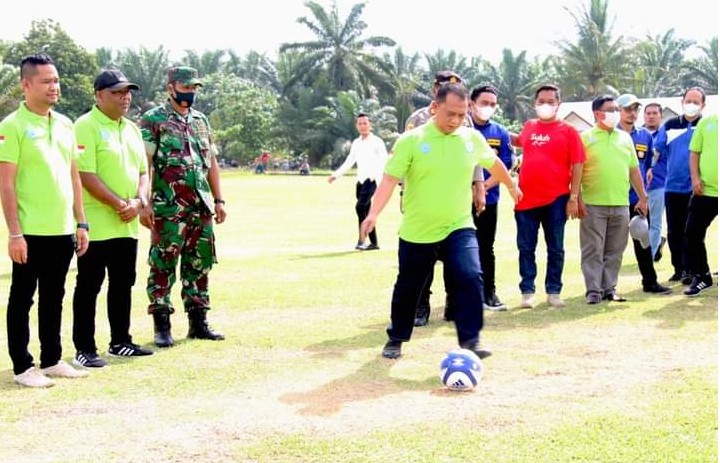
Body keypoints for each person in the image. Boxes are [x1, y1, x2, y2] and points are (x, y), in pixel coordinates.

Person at [359, 83, 522, 360]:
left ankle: (470, 339)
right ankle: (396, 337)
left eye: (461, 115)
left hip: (458, 225)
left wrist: (510, 186)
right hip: (418, 230)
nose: (455, 121)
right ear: (434, 107)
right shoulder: (411, 140)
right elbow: (389, 179)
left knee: (470, 277)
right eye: (450, 114)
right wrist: (373, 213)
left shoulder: (471, 139)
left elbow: (495, 164)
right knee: (409, 287)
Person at [0, 53, 89, 387]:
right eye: (46, 81)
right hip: (29, 231)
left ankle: (52, 359)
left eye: (56, 80)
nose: (54, 87)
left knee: (55, 296)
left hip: (62, 229)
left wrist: (81, 223)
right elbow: (5, 184)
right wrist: (14, 233)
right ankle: (23, 366)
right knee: (23, 298)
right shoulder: (11, 126)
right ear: (26, 85)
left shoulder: (65, 124)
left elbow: (74, 178)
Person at [71, 69, 154, 368]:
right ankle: (84, 348)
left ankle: (121, 341)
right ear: (99, 95)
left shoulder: (132, 129)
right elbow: (85, 175)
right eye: (117, 92)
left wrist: (139, 201)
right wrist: (121, 203)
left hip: (127, 224)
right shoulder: (86, 125)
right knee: (89, 285)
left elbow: (143, 172)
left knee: (123, 283)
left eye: (127, 92)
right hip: (96, 225)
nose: (125, 97)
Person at [139, 66, 227, 348]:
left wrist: (219, 199)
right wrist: (145, 202)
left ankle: (198, 323)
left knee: (199, 263)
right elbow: (145, 164)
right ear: (171, 88)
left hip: (200, 206)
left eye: (194, 88)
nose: (190, 93)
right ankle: (162, 325)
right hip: (168, 207)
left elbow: (210, 163)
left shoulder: (201, 121)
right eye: (185, 87)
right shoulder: (154, 120)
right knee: (163, 264)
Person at [405, 70, 482, 326]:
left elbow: (475, 156)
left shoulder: (465, 121)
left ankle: (453, 303)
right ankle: (421, 306)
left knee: (455, 257)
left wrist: (478, 185)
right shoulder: (417, 119)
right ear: (434, 90)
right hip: (424, 201)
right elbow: (405, 162)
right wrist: (406, 194)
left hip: (455, 199)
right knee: (423, 257)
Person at [511, 84, 585, 308]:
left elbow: (579, 164)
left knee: (555, 248)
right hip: (525, 199)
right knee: (526, 247)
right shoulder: (529, 126)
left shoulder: (569, 131)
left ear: (558, 104)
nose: (545, 105)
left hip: (557, 199)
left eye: (550, 101)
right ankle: (527, 291)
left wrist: (573, 197)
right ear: (535, 104)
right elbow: (519, 141)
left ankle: (554, 291)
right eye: (541, 101)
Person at [579, 95, 649, 304]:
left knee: (615, 249)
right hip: (593, 202)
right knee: (593, 248)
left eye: (616, 109)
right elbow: (576, 171)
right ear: (597, 113)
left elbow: (634, 171)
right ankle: (593, 290)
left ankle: (609, 288)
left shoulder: (625, 138)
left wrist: (642, 197)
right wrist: (577, 198)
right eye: (610, 109)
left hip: (620, 203)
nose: (614, 113)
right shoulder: (585, 137)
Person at [615, 94, 671, 295]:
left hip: (636, 198)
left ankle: (650, 281)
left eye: (635, 109)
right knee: (612, 245)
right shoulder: (612, 134)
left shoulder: (645, 136)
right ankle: (604, 286)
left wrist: (642, 196)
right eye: (627, 109)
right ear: (618, 111)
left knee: (643, 240)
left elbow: (644, 167)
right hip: (613, 197)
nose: (632, 113)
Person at [468, 85, 514, 311]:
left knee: (486, 247)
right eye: (484, 102)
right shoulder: (461, 129)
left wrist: (484, 186)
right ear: (471, 103)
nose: (488, 107)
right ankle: (460, 296)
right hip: (458, 201)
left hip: (490, 199)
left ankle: (489, 293)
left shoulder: (500, 132)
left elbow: (506, 163)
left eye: (492, 104)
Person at [654, 87, 706, 284]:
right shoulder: (670, 125)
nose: (691, 104)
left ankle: (695, 270)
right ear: (682, 101)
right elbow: (657, 152)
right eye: (688, 100)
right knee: (674, 231)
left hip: (699, 187)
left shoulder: (707, 125)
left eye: (696, 101)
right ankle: (680, 269)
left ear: (703, 105)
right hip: (673, 187)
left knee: (692, 232)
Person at [328, 113, 388, 250]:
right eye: (360, 124)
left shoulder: (377, 142)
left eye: (365, 123)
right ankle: (374, 243)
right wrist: (335, 175)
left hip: (372, 180)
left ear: (370, 125)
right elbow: (350, 161)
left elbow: (385, 161)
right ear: (356, 126)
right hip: (360, 181)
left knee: (360, 207)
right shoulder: (356, 143)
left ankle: (361, 239)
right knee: (365, 211)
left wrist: (379, 176)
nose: (363, 126)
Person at [683, 113, 717, 296]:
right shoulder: (706, 122)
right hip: (705, 191)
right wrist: (695, 178)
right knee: (693, 232)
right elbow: (694, 152)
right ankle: (702, 276)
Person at [642, 102, 667, 261]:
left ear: (660, 116)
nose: (651, 116)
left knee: (655, 222)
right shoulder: (639, 134)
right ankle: (657, 244)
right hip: (637, 187)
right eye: (648, 113)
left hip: (658, 184)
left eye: (654, 113)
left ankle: (649, 258)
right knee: (636, 224)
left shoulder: (665, 134)